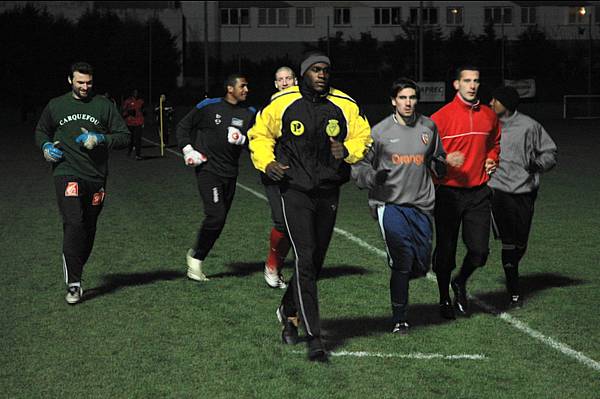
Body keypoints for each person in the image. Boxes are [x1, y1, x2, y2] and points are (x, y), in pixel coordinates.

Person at [248, 52, 372, 361]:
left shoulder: (346, 105)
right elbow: (259, 134)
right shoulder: (282, 103)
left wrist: (349, 149)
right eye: (316, 70)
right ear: (304, 73)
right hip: (295, 191)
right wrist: (267, 163)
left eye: (326, 70)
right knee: (305, 257)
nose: (322, 75)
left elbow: (364, 138)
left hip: (329, 191)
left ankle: (288, 309)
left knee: (315, 261)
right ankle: (314, 338)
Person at [352, 78, 446, 334]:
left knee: (421, 264)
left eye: (412, 98)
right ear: (394, 101)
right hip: (389, 204)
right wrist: (371, 178)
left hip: (422, 205)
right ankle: (400, 318)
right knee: (402, 260)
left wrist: (442, 164)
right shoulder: (379, 132)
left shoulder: (429, 127)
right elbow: (359, 165)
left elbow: (438, 157)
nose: (408, 102)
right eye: (403, 98)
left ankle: (405, 274)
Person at [34, 61, 131, 304]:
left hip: (96, 176)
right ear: (70, 81)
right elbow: (41, 131)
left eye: (88, 82)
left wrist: (99, 138)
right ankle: (74, 284)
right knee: (74, 223)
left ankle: (73, 261)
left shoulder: (104, 105)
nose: (85, 87)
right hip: (66, 171)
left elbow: (124, 137)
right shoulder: (56, 105)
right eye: (80, 82)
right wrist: (45, 146)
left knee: (88, 228)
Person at [430, 65, 501, 319]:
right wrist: (445, 160)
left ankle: (459, 282)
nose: (472, 85)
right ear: (456, 84)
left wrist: (493, 158)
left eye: (476, 81)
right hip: (448, 194)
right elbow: (426, 156)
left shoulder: (488, 115)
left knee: (480, 252)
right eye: (467, 80)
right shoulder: (440, 118)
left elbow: (494, 142)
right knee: (446, 251)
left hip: (479, 193)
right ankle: (443, 299)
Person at [176, 73, 255, 282]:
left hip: (231, 174)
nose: (246, 90)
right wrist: (188, 150)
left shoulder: (250, 113)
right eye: (243, 86)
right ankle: (195, 261)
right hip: (208, 170)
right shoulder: (208, 106)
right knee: (216, 216)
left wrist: (243, 139)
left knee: (220, 221)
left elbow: (257, 143)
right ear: (230, 88)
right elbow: (183, 127)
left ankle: (197, 255)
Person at [488, 86, 557, 308]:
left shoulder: (530, 126)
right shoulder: (486, 125)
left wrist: (538, 164)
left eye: (495, 100)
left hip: (525, 192)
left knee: (520, 243)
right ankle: (514, 292)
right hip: (497, 191)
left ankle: (511, 268)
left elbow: (549, 152)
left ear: (506, 104)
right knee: (508, 242)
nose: (490, 103)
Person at [261, 66, 298, 290]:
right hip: (274, 173)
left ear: (295, 81)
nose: (284, 82)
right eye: (280, 80)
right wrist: (270, 163)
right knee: (282, 223)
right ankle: (272, 266)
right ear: (275, 84)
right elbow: (258, 140)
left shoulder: (305, 106)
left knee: (301, 225)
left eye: (288, 78)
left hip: (300, 174)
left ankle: (286, 268)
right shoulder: (269, 109)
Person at [122, 88, 145, 160]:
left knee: (138, 139)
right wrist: (128, 113)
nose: (136, 94)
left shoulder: (141, 101)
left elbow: (143, 111)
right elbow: (123, 112)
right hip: (130, 123)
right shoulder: (128, 101)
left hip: (138, 122)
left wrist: (143, 118)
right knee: (131, 139)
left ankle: (138, 154)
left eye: (137, 92)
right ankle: (129, 150)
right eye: (135, 92)